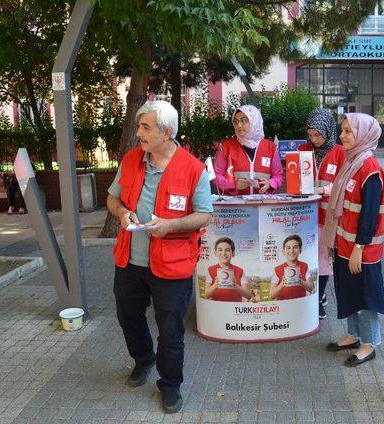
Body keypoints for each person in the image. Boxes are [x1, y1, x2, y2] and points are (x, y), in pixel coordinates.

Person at [107, 100, 213, 414]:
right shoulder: (130, 160)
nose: (138, 133)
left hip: (172, 265)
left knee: (170, 330)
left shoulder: (193, 168)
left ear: (166, 133)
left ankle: (170, 384)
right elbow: (112, 198)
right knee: (127, 316)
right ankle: (143, 359)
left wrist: (171, 226)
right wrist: (123, 212)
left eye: (145, 127)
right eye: (139, 126)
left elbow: (204, 215)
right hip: (130, 260)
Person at [321, 113, 384, 367]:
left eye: (349, 131)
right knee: (348, 292)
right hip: (345, 245)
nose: (342, 135)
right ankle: (353, 335)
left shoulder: (369, 168)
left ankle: (369, 344)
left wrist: (359, 247)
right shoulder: (351, 162)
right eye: (343, 130)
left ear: (363, 134)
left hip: (361, 249)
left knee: (364, 297)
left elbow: (370, 215)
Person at [299, 108, 345, 319]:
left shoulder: (340, 153)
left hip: (328, 218)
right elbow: (295, 178)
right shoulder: (303, 150)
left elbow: (343, 184)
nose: (314, 139)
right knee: (308, 257)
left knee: (325, 259)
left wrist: (324, 190)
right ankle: (312, 295)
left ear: (328, 130)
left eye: (317, 134)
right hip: (306, 216)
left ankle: (319, 298)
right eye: (310, 134)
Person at [213, 105, 284, 195]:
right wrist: (233, 185)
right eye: (236, 122)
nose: (239, 125)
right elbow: (216, 175)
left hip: (262, 204)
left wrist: (270, 183)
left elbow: (278, 175)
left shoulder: (271, 147)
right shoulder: (226, 146)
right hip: (234, 205)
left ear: (255, 121)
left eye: (244, 121)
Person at [204, 237, 253, 302]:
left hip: (234, 307)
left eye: (227, 250)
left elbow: (248, 295)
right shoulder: (211, 270)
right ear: (215, 253)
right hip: (216, 307)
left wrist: (236, 286)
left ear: (233, 253)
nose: (224, 253)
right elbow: (206, 295)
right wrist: (215, 285)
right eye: (220, 250)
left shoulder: (240, 271)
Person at [270, 234, 314, 300]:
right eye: (288, 248)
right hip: (284, 305)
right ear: (283, 251)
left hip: (300, 303)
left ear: (300, 250)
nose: (291, 251)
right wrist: (282, 283)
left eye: (295, 247)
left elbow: (311, 288)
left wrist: (300, 281)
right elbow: (272, 295)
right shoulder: (277, 269)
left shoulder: (305, 266)